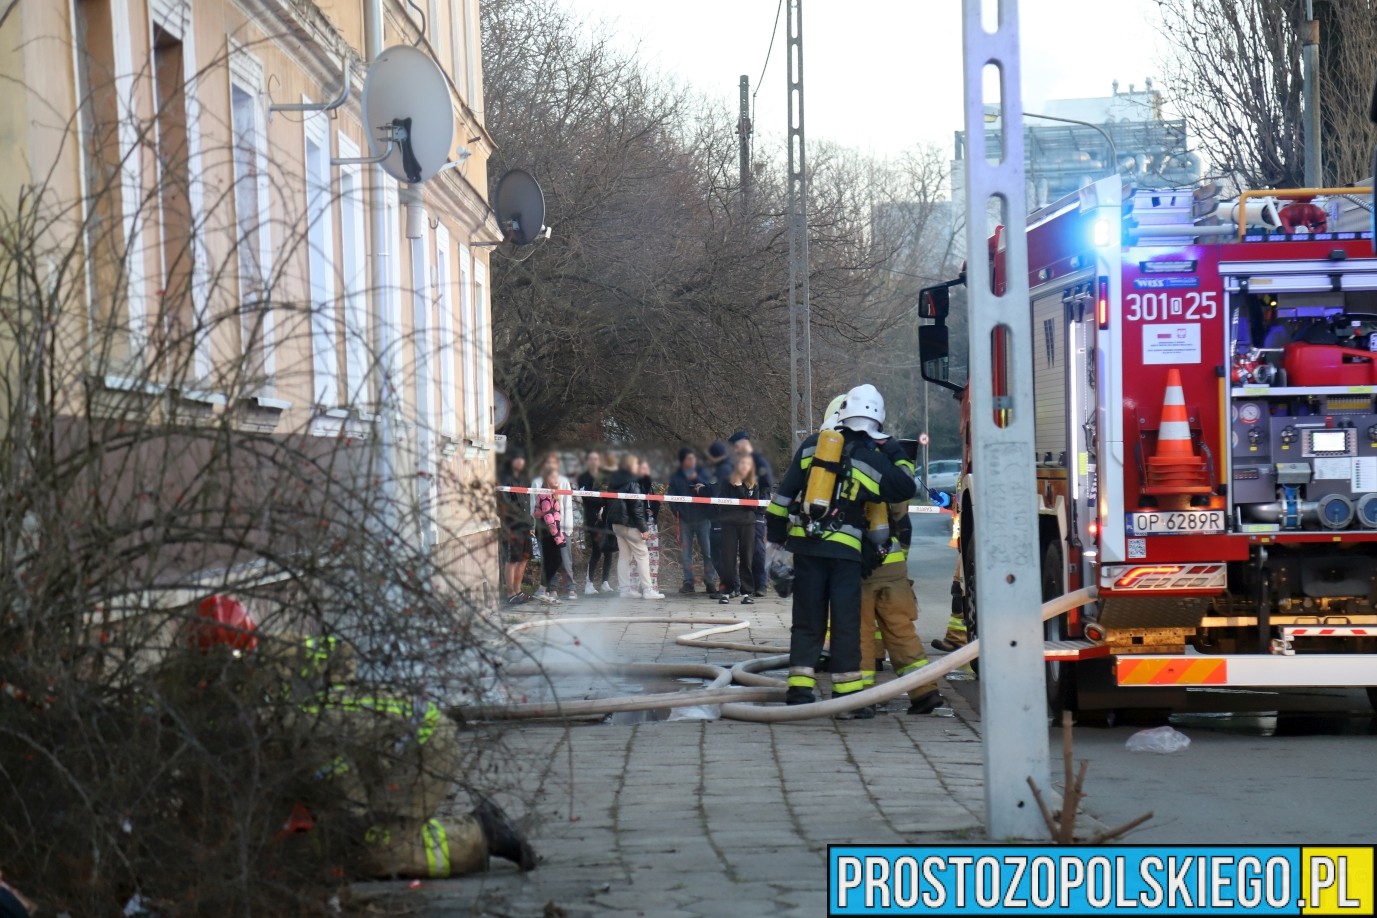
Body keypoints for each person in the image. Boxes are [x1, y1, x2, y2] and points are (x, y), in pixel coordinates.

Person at [766, 384, 916, 716]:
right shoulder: (870, 459)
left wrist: (778, 537)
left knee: (807, 620)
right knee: (845, 623)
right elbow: (906, 484)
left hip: (807, 548)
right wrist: (890, 446)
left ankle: (800, 691)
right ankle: (846, 699)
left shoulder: (811, 448)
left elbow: (781, 501)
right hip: (845, 554)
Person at [859, 501, 944, 715]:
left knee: (858, 633)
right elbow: (904, 523)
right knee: (902, 631)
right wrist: (900, 562)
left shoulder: (839, 473)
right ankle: (924, 691)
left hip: (856, 567)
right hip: (893, 564)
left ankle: (860, 695)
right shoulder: (888, 473)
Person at [604, 454, 665, 599]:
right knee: (642, 555)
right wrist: (643, 529)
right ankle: (648, 589)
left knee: (624, 557)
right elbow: (636, 508)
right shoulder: (633, 483)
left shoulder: (613, 482)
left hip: (616, 524)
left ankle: (625, 590)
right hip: (630, 524)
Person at [729, 431, 773, 596]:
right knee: (744, 551)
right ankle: (746, 585)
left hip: (757, 509)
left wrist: (755, 493)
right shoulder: (736, 462)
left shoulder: (759, 459)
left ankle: (761, 584)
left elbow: (768, 482)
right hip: (741, 511)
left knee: (757, 550)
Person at [667, 448, 718, 592]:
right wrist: (677, 510)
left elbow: (711, 490)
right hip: (685, 519)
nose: (692, 461)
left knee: (708, 552)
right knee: (686, 553)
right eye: (689, 459)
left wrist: (697, 480)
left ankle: (710, 581)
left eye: (694, 458)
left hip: (703, 518)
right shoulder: (676, 476)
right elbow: (671, 496)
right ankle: (688, 582)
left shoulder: (703, 472)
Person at [531, 452, 578, 603]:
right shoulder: (537, 482)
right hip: (545, 529)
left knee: (565, 559)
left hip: (562, 528)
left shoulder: (563, 481)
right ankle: (552, 589)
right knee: (549, 559)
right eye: (547, 463)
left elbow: (567, 505)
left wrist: (567, 528)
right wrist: (533, 525)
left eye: (553, 463)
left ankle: (571, 587)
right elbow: (535, 505)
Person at [716, 454, 760, 604]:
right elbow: (722, 504)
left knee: (746, 558)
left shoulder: (754, 484)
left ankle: (746, 592)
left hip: (748, 525)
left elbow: (753, 506)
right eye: (741, 463)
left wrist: (740, 488)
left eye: (747, 464)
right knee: (728, 558)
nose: (743, 467)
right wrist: (742, 503)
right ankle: (726, 591)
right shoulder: (727, 482)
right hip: (729, 524)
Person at [576, 450, 616, 594]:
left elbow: (612, 493)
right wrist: (604, 499)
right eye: (591, 459)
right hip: (593, 519)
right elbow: (586, 497)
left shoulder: (605, 476)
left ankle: (605, 582)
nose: (594, 462)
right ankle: (589, 583)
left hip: (607, 517)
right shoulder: (584, 477)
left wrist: (606, 500)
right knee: (596, 551)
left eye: (596, 459)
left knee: (609, 550)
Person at [498, 450, 534, 605]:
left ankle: (518, 591)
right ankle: (510, 593)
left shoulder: (524, 479)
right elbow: (505, 505)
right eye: (517, 459)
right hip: (512, 527)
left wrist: (531, 523)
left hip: (525, 526)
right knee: (512, 559)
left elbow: (528, 503)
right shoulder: (505, 479)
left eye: (522, 459)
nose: (520, 462)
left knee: (524, 558)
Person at [705, 440, 733, 597]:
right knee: (726, 555)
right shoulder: (730, 467)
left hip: (718, 517)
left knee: (718, 556)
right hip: (726, 516)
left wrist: (702, 490)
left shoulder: (720, 470)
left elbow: (714, 493)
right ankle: (733, 586)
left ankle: (727, 588)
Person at [636, 459, 662, 595]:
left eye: (647, 469)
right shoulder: (635, 484)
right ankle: (635, 586)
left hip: (652, 524)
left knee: (653, 557)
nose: (645, 472)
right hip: (639, 525)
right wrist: (642, 512)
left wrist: (653, 510)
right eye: (643, 469)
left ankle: (653, 585)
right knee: (637, 557)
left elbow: (656, 502)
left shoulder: (651, 486)